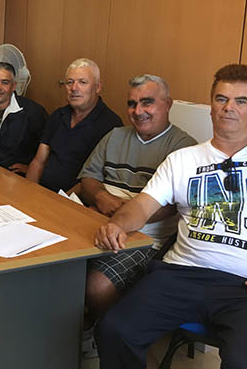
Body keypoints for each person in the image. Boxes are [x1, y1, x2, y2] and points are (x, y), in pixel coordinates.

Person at [94, 64, 247, 368]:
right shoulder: (182, 159)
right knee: (115, 330)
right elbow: (141, 206)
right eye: (221, 99)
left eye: (241, 101)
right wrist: (118, 223)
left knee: (244, 361)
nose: (229, 108)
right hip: (180, 274)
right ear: (212, 105)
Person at [77, 74, 196, 357]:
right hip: (98, 221)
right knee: (52, 266)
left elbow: (174, 206)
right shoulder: (115, 136)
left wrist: (123, 213)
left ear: (168, 104)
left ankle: (103, 333)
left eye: (147, 102)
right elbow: (88, 179)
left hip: (146, 238)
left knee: (97, 286)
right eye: (132, 103)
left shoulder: (184, 148)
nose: (138, 110)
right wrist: (102, 197)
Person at [26, 58, 122, 192]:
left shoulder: (111, 125)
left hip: (75, 199)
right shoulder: (58, 115)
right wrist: (29, 192)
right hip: (42, 192)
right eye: (69, 82)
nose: (74, 88)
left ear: (98, 87)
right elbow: (39, 161)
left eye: (82, 82)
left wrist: (61, 200)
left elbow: (94, 179)